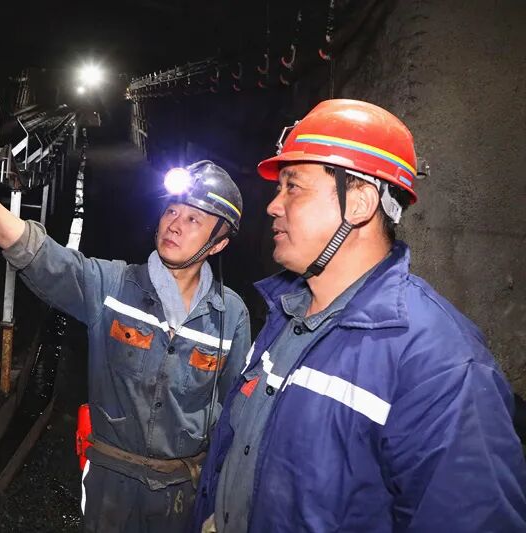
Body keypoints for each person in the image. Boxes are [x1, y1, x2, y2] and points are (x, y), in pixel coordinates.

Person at [190, 99, 526, 532]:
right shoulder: (285, 316)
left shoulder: (441, 365)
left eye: (293, 187)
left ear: (360, 202)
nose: (273, 205)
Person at [0, 160, 252, 532]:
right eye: (171, 211)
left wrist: (223, 505)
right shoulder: (113, 286)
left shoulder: (230, 316)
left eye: (193, 219)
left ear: (219, 243)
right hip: (110, 485)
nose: (175, 224)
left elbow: (235, 415)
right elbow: (39, 255)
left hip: (184, 491)